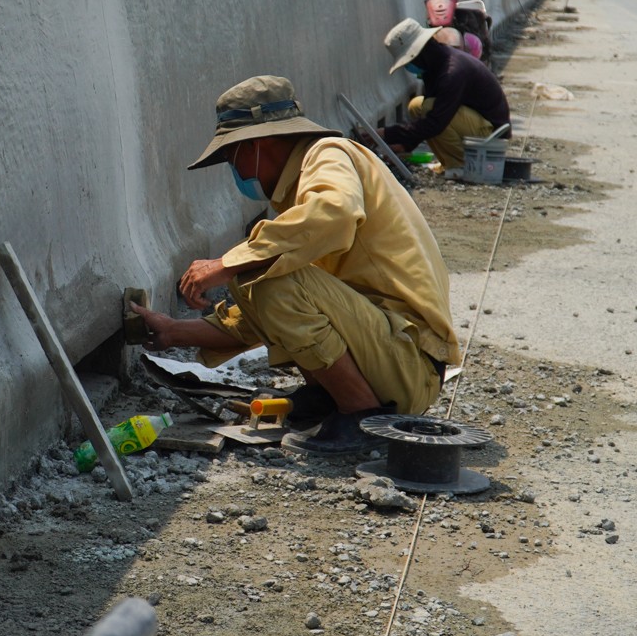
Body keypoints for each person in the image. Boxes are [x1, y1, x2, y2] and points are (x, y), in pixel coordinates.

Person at [133, 75, 459, 455]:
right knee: (261, 270)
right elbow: (264, 315)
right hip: (394, 357)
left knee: (258, 268)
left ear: (256, 145)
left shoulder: (328, 154)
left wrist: (227, 262)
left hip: (408, 364)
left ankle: (360, 414)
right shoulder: (302, 195)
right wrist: (173, 332)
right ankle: (332, 399)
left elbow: (336, 212)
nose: (235, 169)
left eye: (232, 156)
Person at [379, 17, 510, 171]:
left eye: (409, 61)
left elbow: (436, 123)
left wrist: (386, 133)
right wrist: (406, 145)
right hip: (475, 122)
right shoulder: (436, 65)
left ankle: (462, 165)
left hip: (492, 133)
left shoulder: (452, 72)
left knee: (429, 108)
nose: (409, 66)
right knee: (417, 106)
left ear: (419, 54)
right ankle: (450, 161)